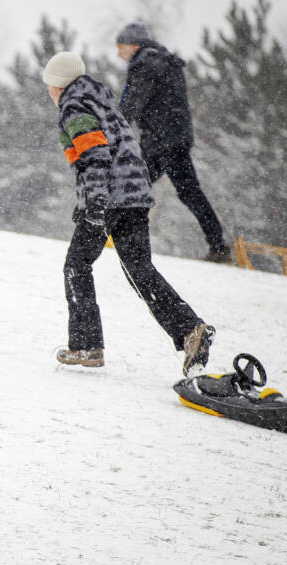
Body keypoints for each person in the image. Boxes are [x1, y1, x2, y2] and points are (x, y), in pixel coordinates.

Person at [42, 51, 214, 377]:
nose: (49, 92)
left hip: (108, 198)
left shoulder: (74, 105)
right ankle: (190, 329)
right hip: (135, 196)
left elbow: (95, 156)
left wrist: (94, 205)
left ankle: (85, 345)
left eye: (50, 85)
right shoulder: (102, 102)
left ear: (59, 84)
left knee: (76, 265)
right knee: (140, 270)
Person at [115, 22, 230, 263]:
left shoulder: (145, 64)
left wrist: (113, 129)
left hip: (161, 142)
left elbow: (133, 104)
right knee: (186, 192)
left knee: (133, 184)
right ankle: (219, 245)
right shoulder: (164, 61)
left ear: (133, 44)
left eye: (121, 47)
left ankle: (111, 236)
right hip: (174, 139)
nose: (119, 53)